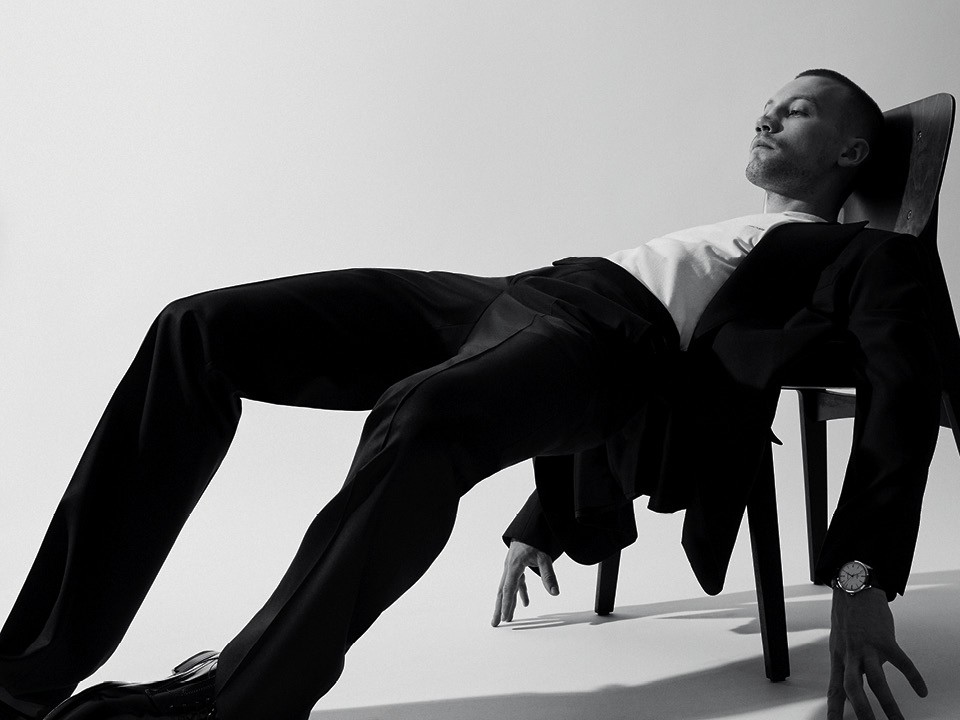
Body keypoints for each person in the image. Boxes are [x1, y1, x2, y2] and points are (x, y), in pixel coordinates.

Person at [0, 69, 940, 720]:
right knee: (198, 329)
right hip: (520, 294)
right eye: (767, 107)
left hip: (606, 335)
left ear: (853, 149)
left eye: (799, 111)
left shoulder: (871, 254)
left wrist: (862, 576)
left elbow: (902, 385)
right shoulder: (731, 228)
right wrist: (549, 513)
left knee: (422, 417)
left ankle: (242, 700)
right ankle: (25, 676)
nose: (768, 118)